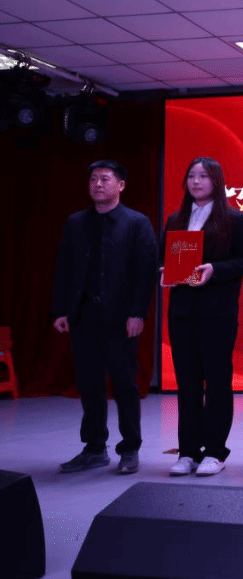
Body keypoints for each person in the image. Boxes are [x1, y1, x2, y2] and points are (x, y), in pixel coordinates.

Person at [52, 160, 156, 475]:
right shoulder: (76, 222)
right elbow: (64, 269)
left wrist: (137, 313)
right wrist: (61, 310)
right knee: (89, 385)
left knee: (125, 385)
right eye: (93, 179)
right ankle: (94, 448)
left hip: (121, 318)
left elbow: (145, 273)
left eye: (105, 179)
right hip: (84, 315)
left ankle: (130, 449)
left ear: (121, 185)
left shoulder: (137, 223)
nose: (98, 184)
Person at [161, 157, 243, 477]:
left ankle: (215, 451)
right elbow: (164, 259)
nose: (196, 182)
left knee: (216, 382)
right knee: (187, 383)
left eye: (203, 176)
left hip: (217, 312)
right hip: (182, 312)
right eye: (191, 176)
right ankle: (187, 451)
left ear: (216, 181)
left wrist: (215, 269)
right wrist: (165, 273)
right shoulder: (176, 219)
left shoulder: (234, 219)